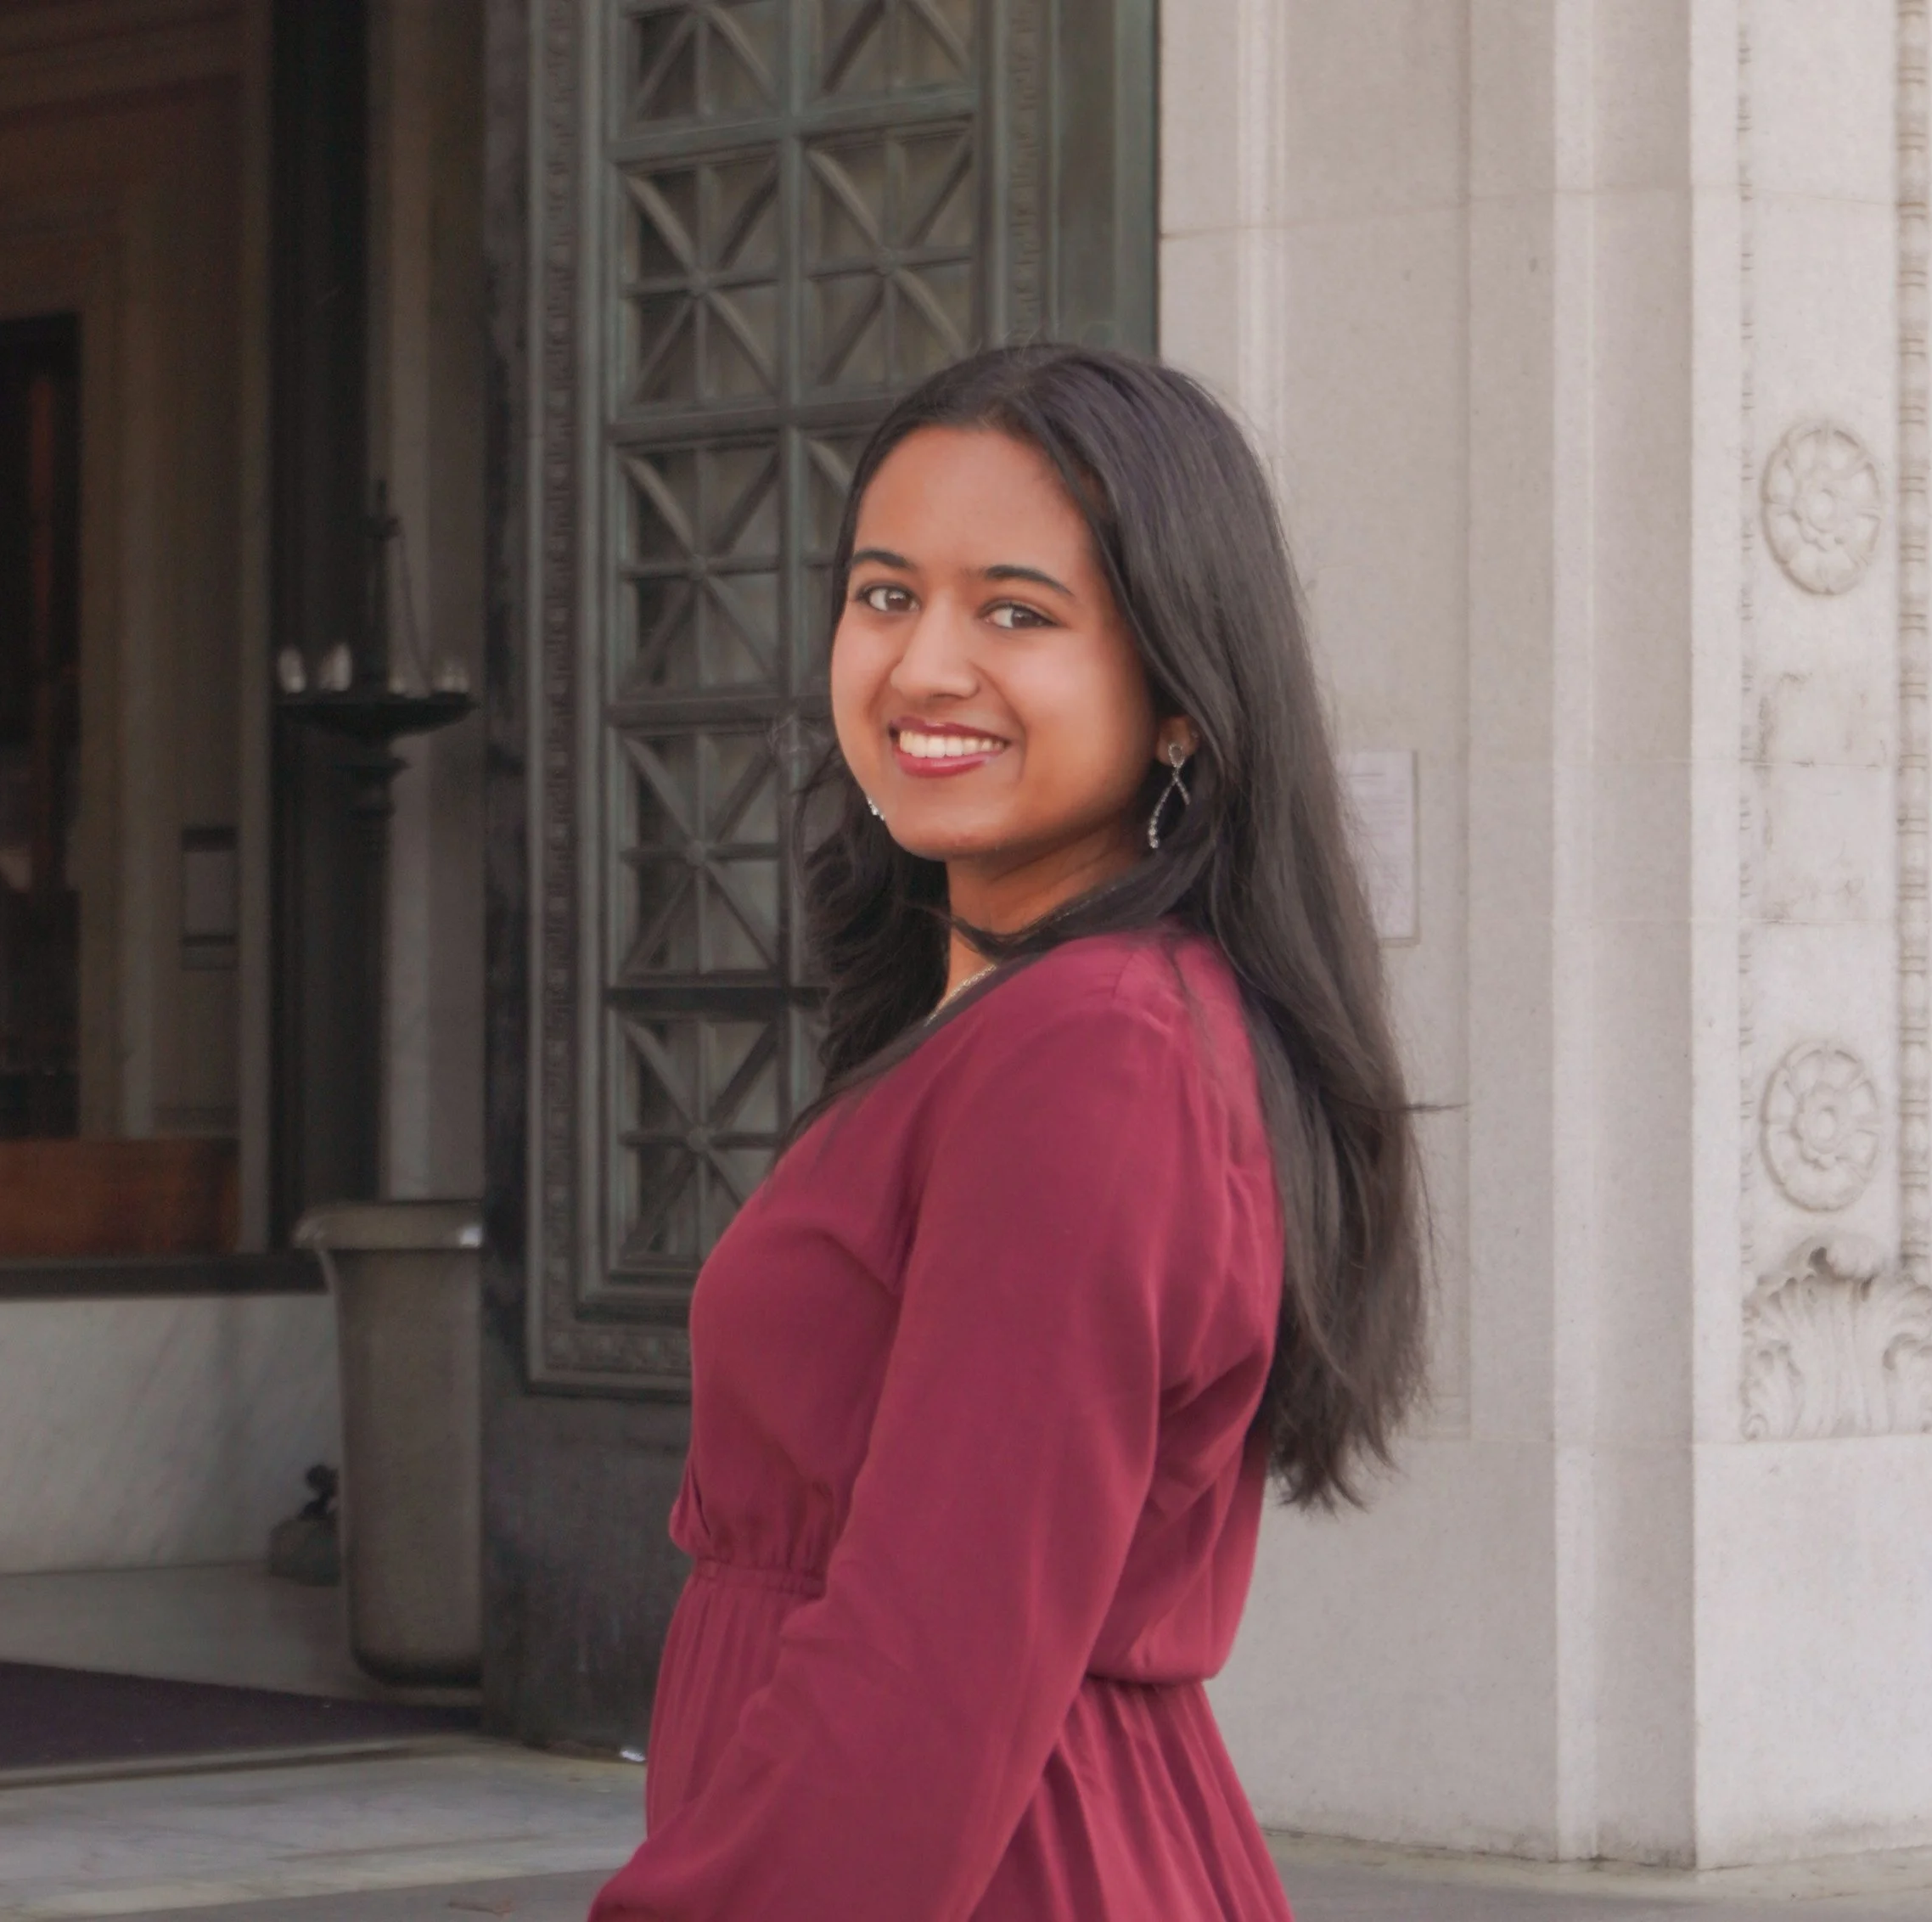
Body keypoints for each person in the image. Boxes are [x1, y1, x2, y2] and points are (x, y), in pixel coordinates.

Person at [589, 344, 1424, 1921]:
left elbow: (933, 1654)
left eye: (1017, 613)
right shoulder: (1024, 1019)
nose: (921, 667)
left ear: (1181, 698)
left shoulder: (1093, 1055)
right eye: (886, 595)